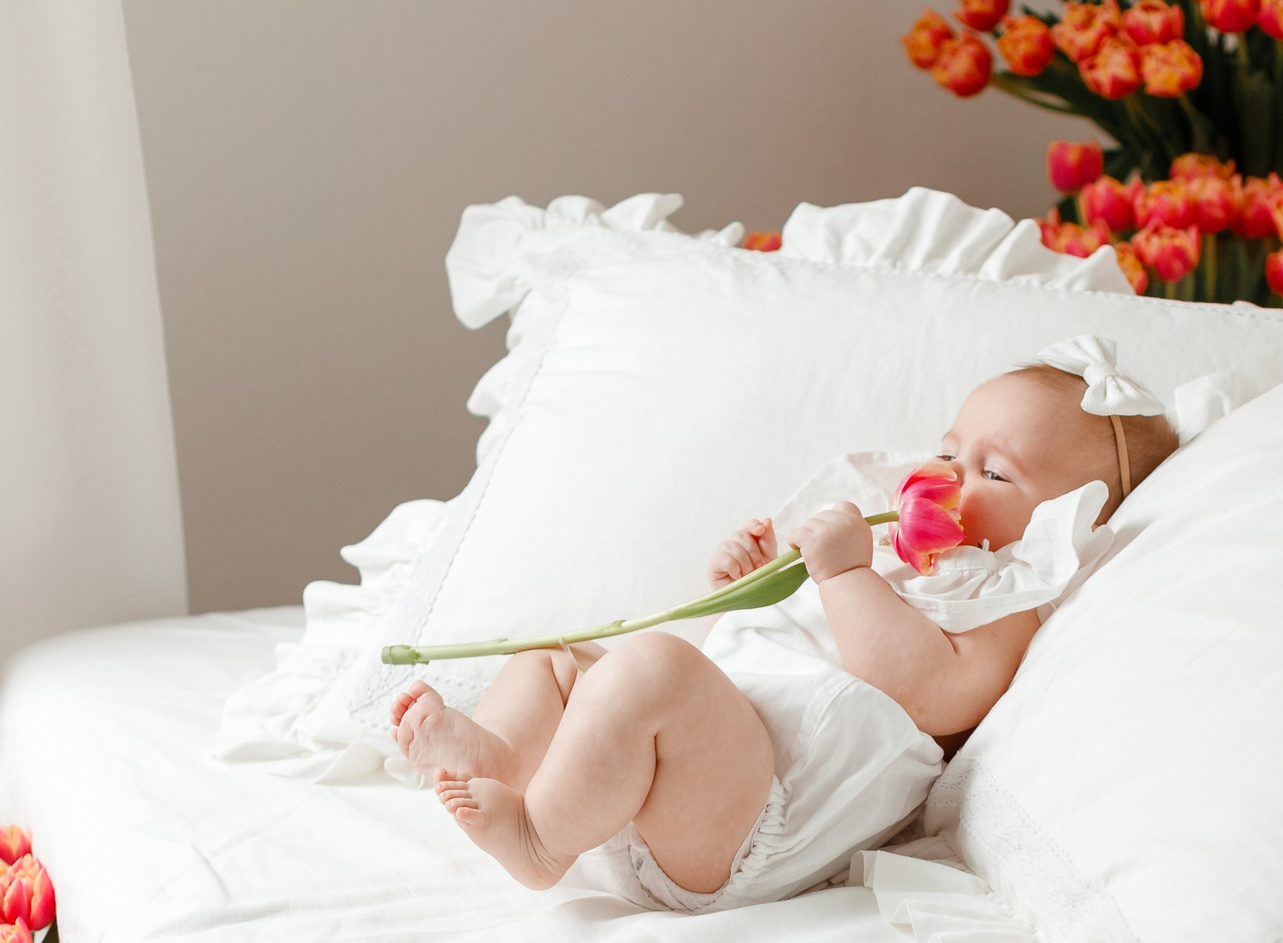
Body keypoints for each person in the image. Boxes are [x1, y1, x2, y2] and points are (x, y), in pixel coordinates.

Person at [388, 340, 1178, 910]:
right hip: (674, 775)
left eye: (994, 470)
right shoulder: (898, 560)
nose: (947, 475)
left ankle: (539, 844)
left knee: (653, 670)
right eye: (949, 449)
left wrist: (843, 574)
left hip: (753, 819)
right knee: (555, 655)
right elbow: (769, 662)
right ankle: (507, 758)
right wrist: (753, 585)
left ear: (1066, 521)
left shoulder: (1006, 600)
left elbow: (924, 693)